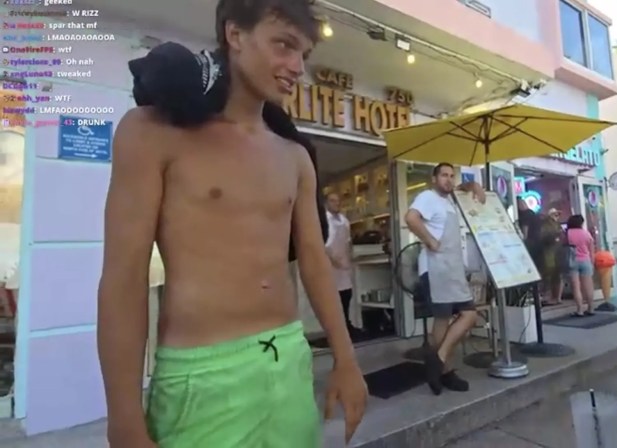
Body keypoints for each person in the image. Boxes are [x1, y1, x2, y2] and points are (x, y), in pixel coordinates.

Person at [97, 2, 368, 447]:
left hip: (289, 361)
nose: (296, 67)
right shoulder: (152, 132)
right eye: (284, 45)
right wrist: (123, 419)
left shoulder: (295, 155)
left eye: (304, 54)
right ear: (235, 35)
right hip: (201, 377)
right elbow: (123, 279)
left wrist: (345, 358)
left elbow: (314, 263)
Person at [405, 162, 485, 395]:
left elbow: (463, 186)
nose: (449, 180)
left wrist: (475, 185)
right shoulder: (427, 197)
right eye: (444, 175)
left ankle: (438, 362)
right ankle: (443, 368)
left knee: (466, 315)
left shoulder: (450, 199)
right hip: (436, 267)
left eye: (452, 176)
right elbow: (411, 218)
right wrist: (430, 241)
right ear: (434, 179)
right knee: (448, 319)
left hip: (451, 269)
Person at [324, 192, 358, 335]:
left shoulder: (344, 220)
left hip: (343, 264)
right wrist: (333, 260)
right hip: (329, 263)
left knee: (346, 294)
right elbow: (322, 244)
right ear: (326, 203)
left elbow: (348, 241)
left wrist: (349, 257)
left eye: (337, 201)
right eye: (332, 201)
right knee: (332, 298)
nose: (336, 204)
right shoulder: (324, 220)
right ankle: (335, 329)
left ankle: (346, 324)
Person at [565, 214, 595, 316]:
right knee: (588, 286)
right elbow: (591, 250)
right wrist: (592, 262)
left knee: (576, 287)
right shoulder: (586, 234)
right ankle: (591, 308)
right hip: (585, 261)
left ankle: (580, 310)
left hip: (572, 261)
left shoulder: (567, 233)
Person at [538, 208, 565, 305]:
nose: (557, 217)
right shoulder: (545, 225)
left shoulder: (557, 225)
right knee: (548, 276)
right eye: (555, 215)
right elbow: (543, 237)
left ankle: (557, 297)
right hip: (548, 254)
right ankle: (548, 297)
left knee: (557, 276)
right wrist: (555, 235)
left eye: (557, 215)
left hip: (557, 253)